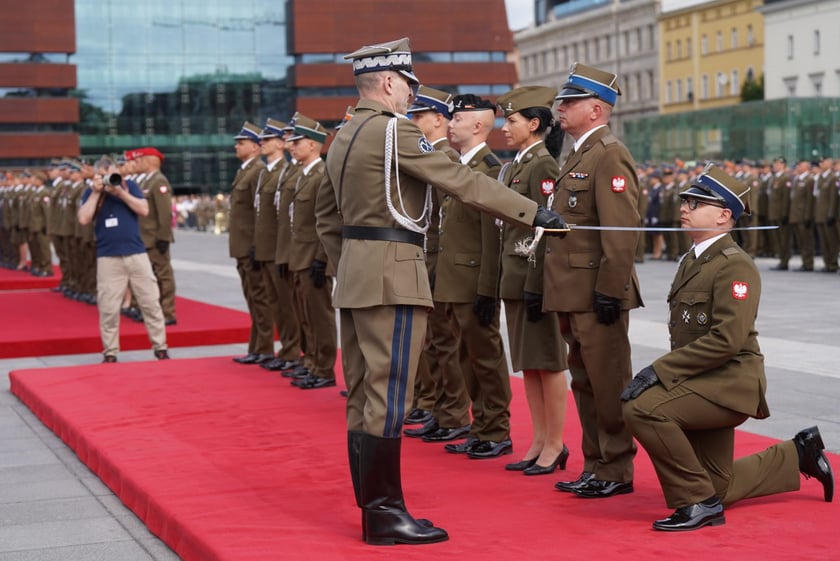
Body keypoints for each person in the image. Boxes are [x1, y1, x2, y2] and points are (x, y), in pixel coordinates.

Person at [314, 37, 567, 546]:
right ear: (389, 81)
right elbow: (461, 182)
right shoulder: (393, 131)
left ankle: (373, 511)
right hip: (393, 274)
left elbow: (324, 214)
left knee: (363, 395)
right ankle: (385, 514)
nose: (411, 94)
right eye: (408, 84)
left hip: (359, 276)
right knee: (390, 397)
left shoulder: (344, 134)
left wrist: (354, 264)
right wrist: (533, 213)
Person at [621, 164, 834, 531]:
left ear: (723, 216)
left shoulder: (734, 266)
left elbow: (727, 340)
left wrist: (660, 371)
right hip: (704, 378)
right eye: (685, 201)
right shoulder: (694, 258)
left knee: (642, 408)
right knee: (719, 486)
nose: (684, 207)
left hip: (730, 382)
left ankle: (697, 502)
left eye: (696, 203)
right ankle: (799, 453)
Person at [544, 62, 643, 499]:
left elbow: (620, 232)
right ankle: (595, 464)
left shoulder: (609, 153)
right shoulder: (579, 154)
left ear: (597, 109)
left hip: (596, 292)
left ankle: (616, 468)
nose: (560, 108)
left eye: (570, 101)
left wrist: (609, 290)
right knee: (585, 383)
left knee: (608, 384)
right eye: (561, 101)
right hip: (574, 291)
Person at [494, 86, 570, 475]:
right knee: (529, 364)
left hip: (534, 279)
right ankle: (540, 440)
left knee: (549, 363)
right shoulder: (517, 165)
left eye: (511, 120)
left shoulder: (542, 166)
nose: (505, 128)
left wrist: (538, 284)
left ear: (534, 123)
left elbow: (548, 231)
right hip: (515, 276)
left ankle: (555, 443)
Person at [433, 92, 511, 458]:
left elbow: (491, 237)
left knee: (485, 358)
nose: (450, 125)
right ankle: (480, 426)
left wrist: (487, 289)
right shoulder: (460, 168)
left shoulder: (488, 170)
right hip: (454, 280)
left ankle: (496, 430)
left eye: (458, 119)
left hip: (474, 280)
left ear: (479, 125)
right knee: (466, 357)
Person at [77, 157, 169, 362]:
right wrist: (96, 192)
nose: (108, 179)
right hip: (108, 256)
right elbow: (83, 218)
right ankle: (110, 352)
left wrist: (120, 192)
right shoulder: (90, 192)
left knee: (150, 302)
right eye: (103, 175)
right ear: (97, 175)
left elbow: (144, 209)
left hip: (136, 253)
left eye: (111, 173)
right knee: (108, 307)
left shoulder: (130, 186)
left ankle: (160, 347)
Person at [284, 114, 338, 389]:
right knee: (306, 315)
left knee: (320, 316)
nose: (292, 146)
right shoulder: (303, 175)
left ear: (314, 144)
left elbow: (326, 221)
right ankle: (312, 362)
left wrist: (321, 258)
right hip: (299, 256)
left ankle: (324, 368)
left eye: (298, 142)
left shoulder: (320, 175)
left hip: (313, 257)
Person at [256, 118, 304, 373]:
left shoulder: (294, 170)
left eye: (291, 136)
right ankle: (288, 350)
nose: (288, 140)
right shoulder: (281, 171)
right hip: (273, 247)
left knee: (291, 305)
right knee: (278, 303)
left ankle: (295, 352)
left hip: (289, 249)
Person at [229, 122, 274, 365]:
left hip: (250, 246)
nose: (237, 146)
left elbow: (260, 213)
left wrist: (257, 245)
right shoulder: (245, 170)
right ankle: (256, 347)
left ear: (255, 147)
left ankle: (264, 348)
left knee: (260, 298)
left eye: (242, 143)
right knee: (253, 298)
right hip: (242, 246)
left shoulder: (257, 171)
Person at [134, 147, 177, 324]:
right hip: (145, 237)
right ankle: (154, 310)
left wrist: (163, 237)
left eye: (142, 160)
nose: (139, 163)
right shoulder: (147, 181)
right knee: (149, 276)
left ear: (152, 161)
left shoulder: (158, 181)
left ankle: (167, 312)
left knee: (163, 275)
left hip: (154, 237)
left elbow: (165, 213)